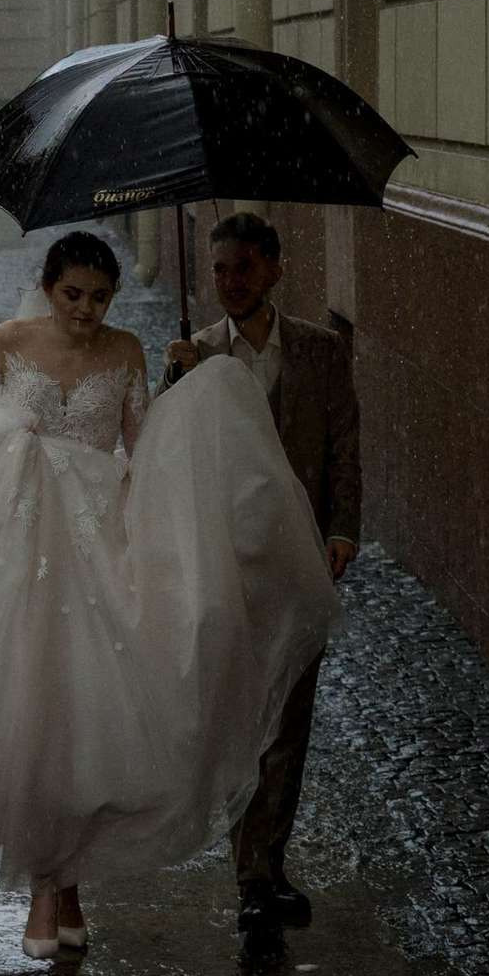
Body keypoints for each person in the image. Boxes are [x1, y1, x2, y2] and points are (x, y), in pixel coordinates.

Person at [0, 231, 339, 960]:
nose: (85, 309)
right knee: (27, 711)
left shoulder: (125, 352)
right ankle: (48, 888)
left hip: (96, 547)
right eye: (72, 294)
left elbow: (143, 446)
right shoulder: (11, 339)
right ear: (48, 287)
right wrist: (9, 427)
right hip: (17, 550)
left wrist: (189, 389)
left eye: (99, 297)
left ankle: (63, 886)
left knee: (86, 721)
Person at [162, 211, 360, 935]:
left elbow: (344, 445)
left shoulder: (320, 351)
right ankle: (250, 875)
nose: (230, 282)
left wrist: (342, 530)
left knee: (290, 719)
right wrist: (174, 381)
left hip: (299, 558)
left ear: (275, 268)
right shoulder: (197, 354)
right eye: (218, 269)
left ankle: (267, 863)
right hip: (226, 560)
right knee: (241, 717)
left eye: (243, 267)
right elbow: (163, 454)